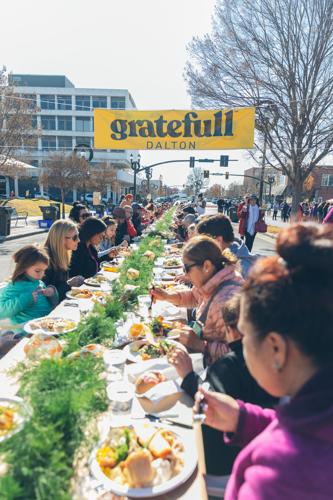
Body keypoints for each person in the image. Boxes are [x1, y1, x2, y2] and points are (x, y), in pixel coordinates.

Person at [195, 222, 333, 500]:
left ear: (276, 349)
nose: (240, 347)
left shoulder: (280, 477)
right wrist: (244, 419)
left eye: (245, 337)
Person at [169, 295, 277, 475]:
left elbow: (206, 402)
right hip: (255, 450)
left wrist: (188, 375)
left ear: (232, 331)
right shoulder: (274, 362)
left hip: (220, 463)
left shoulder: (228, 366)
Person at [151, 235, 243, 364]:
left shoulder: (226, 300)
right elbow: (195, 297)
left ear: (206, 266)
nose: (185, 275)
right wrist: (167, 296)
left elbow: (240, 355)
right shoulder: (215, 278)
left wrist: (200, 345)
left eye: (187, 268)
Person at [0, 245, 58, 327]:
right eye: (37, 271)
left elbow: (49, 303)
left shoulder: (39, 283)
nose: (42, 274)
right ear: (23, 268)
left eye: (44, 270)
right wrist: (25, 299)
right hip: (25, 331)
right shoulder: (15, 286)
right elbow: (2, 311)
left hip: (45, 325)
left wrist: (52, 294)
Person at [44, 220, 84, 301]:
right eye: (75, 237)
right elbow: (44, 294)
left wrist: (69, 282)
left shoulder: (62, 254)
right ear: (61, 238)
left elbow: (58, 284)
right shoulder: (44, 259)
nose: (79, 240)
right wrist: (69, 284)